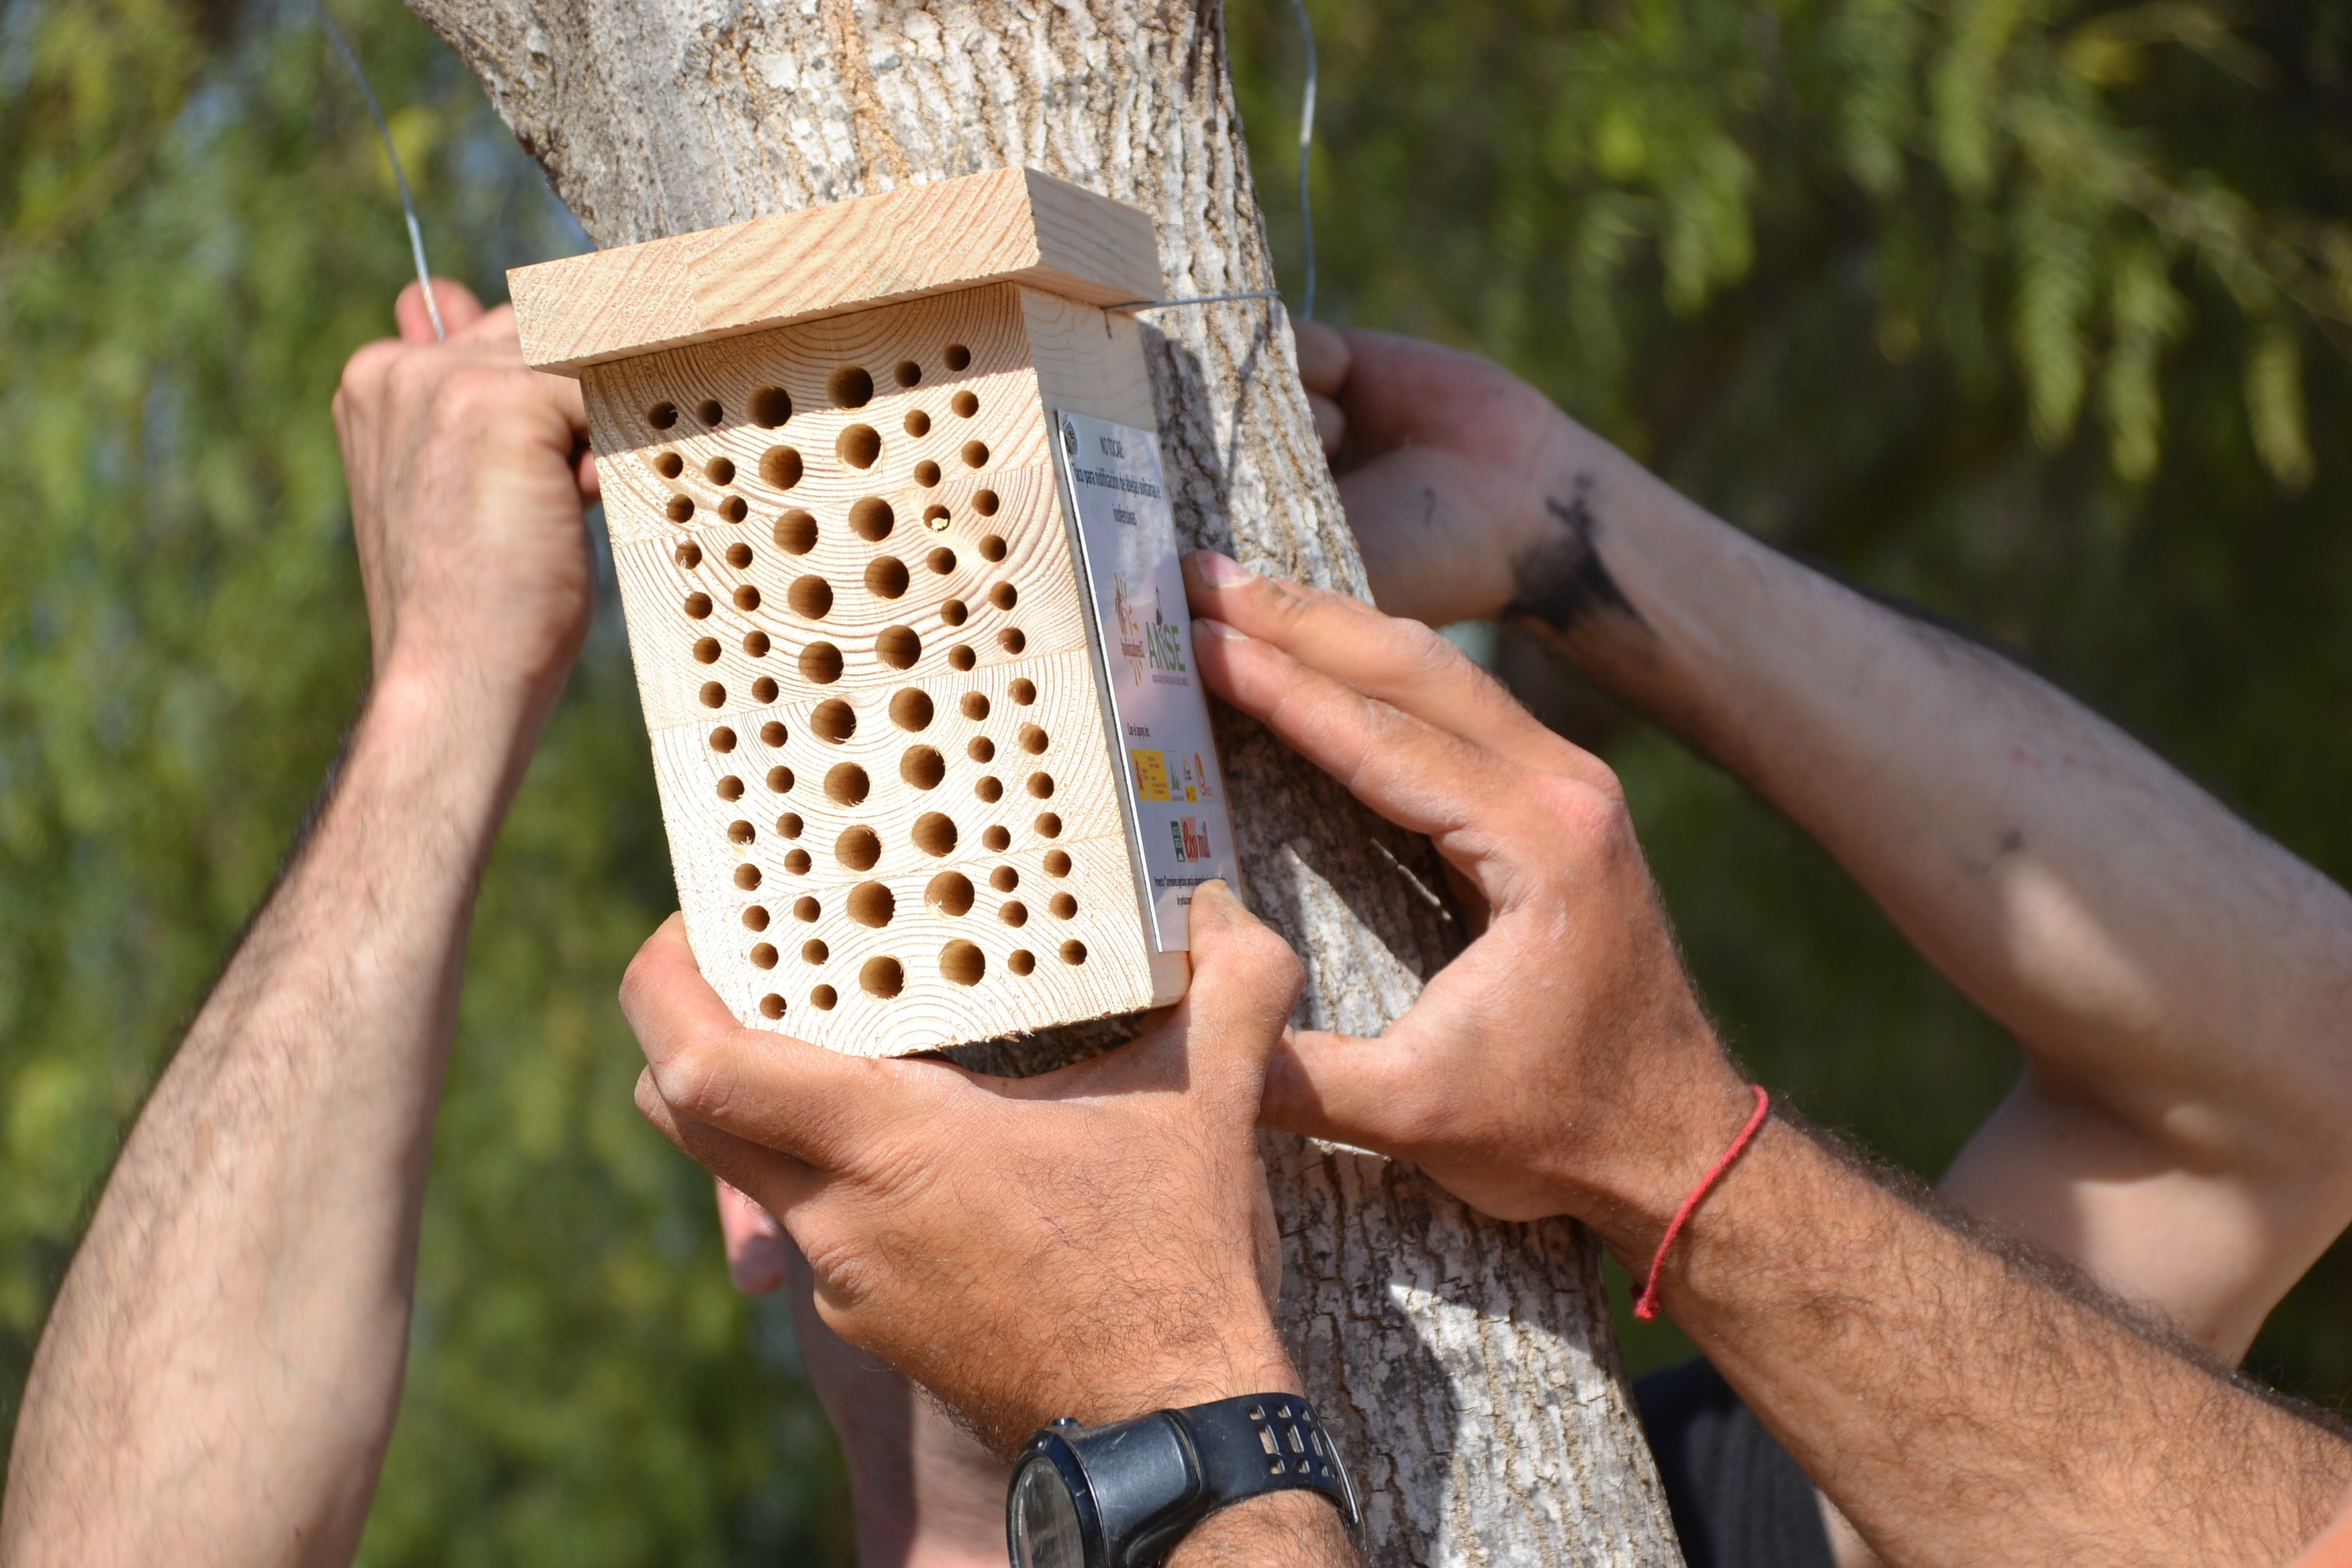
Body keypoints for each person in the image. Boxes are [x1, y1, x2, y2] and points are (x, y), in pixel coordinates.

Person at [1, 274, 2341, 1567]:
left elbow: (2276, 1084)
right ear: (750, 1186)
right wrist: (432, 708)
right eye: (900, 948)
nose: (1065, 1026)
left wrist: (1584, 542)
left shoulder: (1694, 1524)